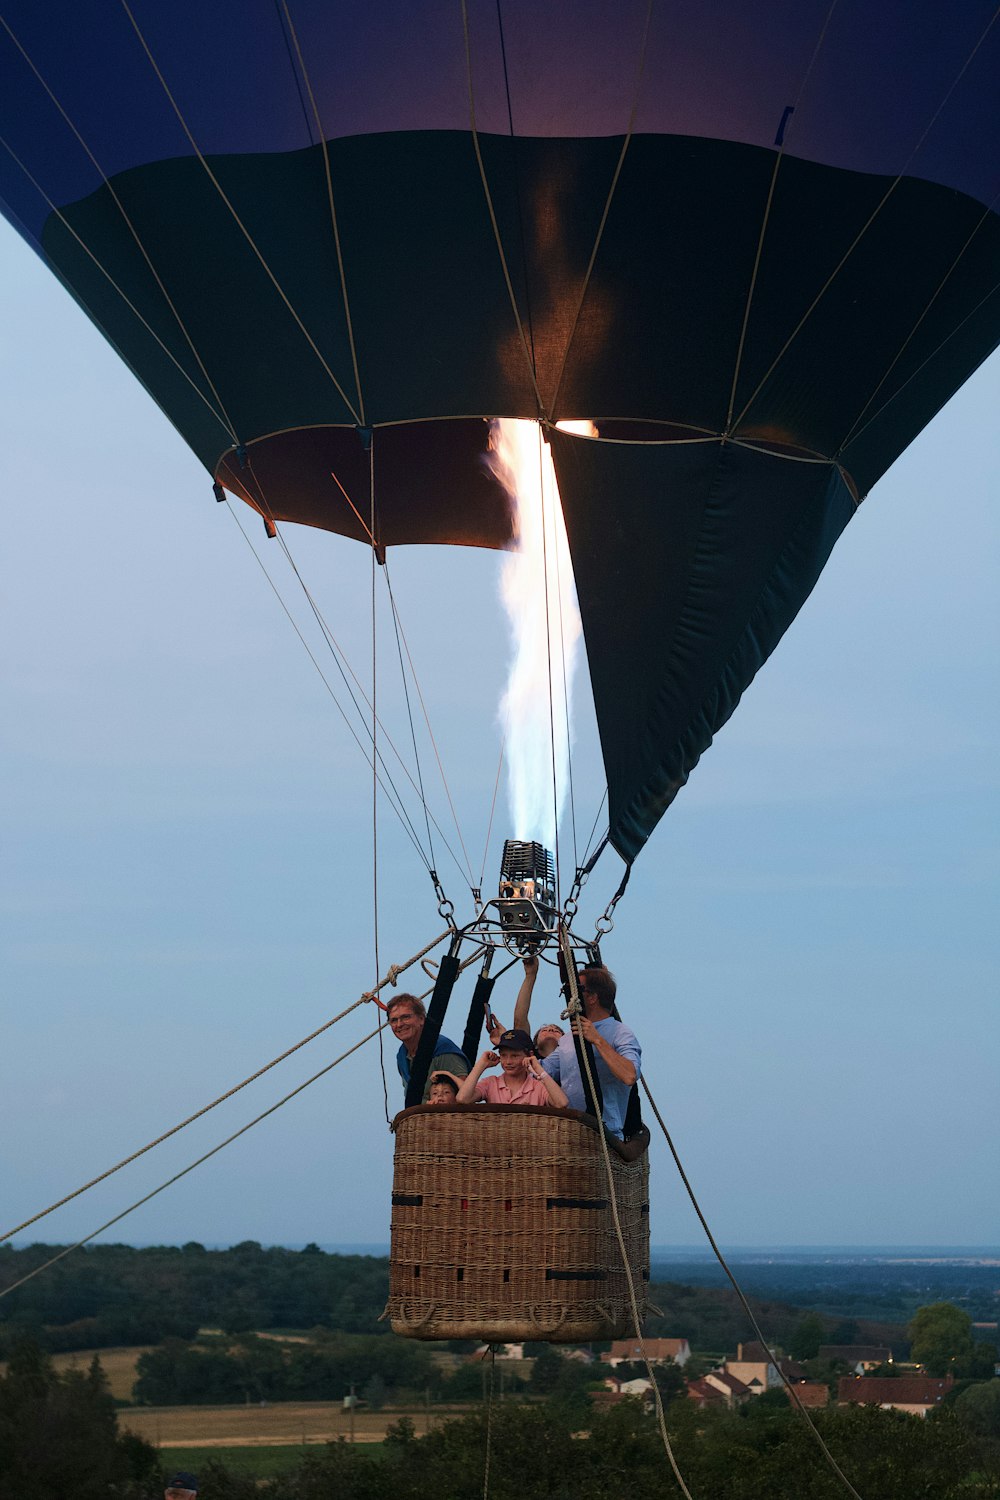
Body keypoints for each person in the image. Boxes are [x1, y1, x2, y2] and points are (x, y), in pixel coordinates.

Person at [541, 966, 640, 1138]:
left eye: (576, 990)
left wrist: (597, 1040)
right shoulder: (568, 1039)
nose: (571, 995)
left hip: (605, 1135)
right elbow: (540, 1070)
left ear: (592, 997)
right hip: (567, 1132)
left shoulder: (620, 1033)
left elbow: (629, 1075)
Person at [387, 993, 468, 1102]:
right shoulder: (402, 1056)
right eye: (394, 1020)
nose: (399, 1024)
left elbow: (467, 1094)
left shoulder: (443, 1050)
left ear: (421, 1019)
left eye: (405, 1017)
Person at [456, 1029, 569, 1108]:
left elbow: (562, 1103)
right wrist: (481, 1064)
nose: (508, 1062)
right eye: (504, 1055)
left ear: (529, 1055)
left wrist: (538, 1069)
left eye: (515, 1056)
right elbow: (462, 1099)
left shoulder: (538, 1086)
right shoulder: (490, 1082)